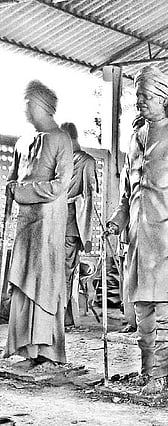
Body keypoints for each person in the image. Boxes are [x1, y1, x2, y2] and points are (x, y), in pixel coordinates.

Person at [106, 65, 168, 394]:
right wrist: (117, 221)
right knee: (141, 310)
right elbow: (127, 193)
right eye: (138, 96)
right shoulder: (136, 138)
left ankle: (160, 375)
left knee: (162, 310)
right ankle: (147, 369)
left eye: (145, 96)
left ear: (163, 99)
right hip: (138, 237)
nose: (140, 102)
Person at [3, 80, 73, 367]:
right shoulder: (23, 142)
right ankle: (24, 348)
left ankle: (46, 352)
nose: (25, 109)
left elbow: (60, 185)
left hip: (48, 224)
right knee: (23, 281)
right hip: (25, 225)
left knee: (43, 284)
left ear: (42, 105)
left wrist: (22, 192)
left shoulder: (60, 139)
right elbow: (12, 179)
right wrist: (12, 189)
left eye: (29, 103)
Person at [60, 122, 97, 328]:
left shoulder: (83, 161)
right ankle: (58, 317)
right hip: (60, 224)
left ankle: (62, 316)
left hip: (68, 225)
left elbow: (89, 197)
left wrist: (87, 234)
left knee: (65, 271)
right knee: (63, 271)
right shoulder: (66, 160)